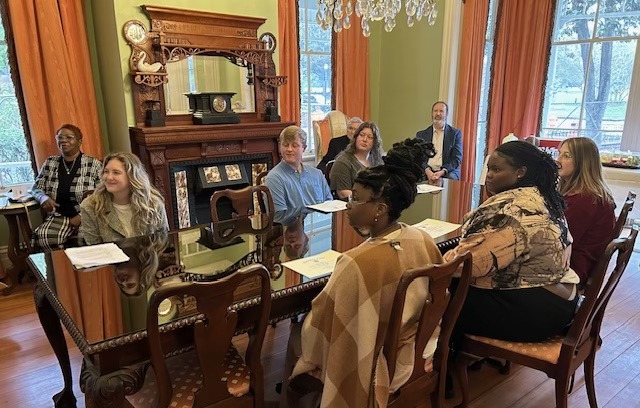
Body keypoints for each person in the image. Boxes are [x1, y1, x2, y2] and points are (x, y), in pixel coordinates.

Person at [284, 139, 444, 407]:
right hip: (421, 345)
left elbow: (325, 321)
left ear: (380, 209)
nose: (348, 204)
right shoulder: (421, 238)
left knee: (299, 330)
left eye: (356, 199)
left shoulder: (354, 262)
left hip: (384, 360)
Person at [444, 141, 580, 347]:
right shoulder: (540, 195)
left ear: (520, 172)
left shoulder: (511, 210)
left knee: (433, 295)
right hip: (559, 299)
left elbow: (466, 266)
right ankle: (449, 357)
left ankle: (438, 367)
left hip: (537, 314)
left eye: (496, 169)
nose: (489, 175)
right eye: (488, 168)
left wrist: (433, 257)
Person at [31, 124, 103, 250]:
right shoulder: (50, 162)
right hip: (59, 215)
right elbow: (36, 188)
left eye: (69, 137)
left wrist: (81, 216)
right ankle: (64, 268)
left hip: (88, 215)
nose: (63, 140)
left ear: (79, 141)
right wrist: (43, 198)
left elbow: (103, 194)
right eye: (60, 137)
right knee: (45, 238)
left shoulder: (94, 164)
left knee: (87, 241)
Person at [557, 137, 615, 286]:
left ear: (583, 162)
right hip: (576, 263)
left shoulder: (584, 200)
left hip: (573, 271)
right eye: (559, 154)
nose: (558, 160)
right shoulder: (585, 194)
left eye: (566, 156)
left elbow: (558, 241)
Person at [81, 152, 169, 244]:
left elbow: (163, 242)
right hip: (111, 258)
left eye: (116, 172)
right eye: (106, 171)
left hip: (147, 257)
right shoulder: (90, 206)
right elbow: (95, 250)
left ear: (132, 176)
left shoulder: (153, 203)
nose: (109, 177)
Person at [264, 126, 332, 212]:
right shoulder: (274, 179)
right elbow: (279, 216)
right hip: (292, 225)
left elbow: (329, 204)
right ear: (280, 147)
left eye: (294, 145)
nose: (289, 149)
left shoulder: (317, 174)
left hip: (319, 224)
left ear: (304, 148)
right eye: (285, 145)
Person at [329, 121, 384, 199]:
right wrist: (371, 200)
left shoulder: (377, 161)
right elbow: (343, 193)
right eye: (362, 135)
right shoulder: (343, 161)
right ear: (356, 137)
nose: (365, 139)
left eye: (370, 137)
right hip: (352, 206)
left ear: (374, 142)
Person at [416, 101, 463, 181]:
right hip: (426, 170)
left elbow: (456, 158)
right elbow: (419, 157)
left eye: (441, 111)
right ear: (432, 114)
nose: (438, 114)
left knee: (451, 177)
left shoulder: (455, 134)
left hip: (447, 171)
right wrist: (427, 170)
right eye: (435, 111)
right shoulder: (421, 135)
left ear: (446, 114)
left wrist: (442, 171)